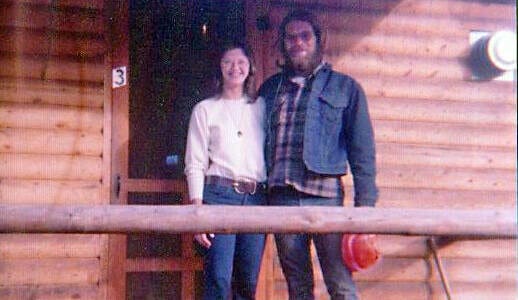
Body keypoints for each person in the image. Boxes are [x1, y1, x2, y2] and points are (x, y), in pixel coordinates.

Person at [258, 10, 379, 300]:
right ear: (283, 45)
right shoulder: (270, 89)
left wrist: (365, 208)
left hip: (326, 199)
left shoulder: (346, 88)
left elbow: (363, 152)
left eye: (304, 36)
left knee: (340, 283)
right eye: (290, 38)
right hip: (281, 198)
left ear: (318, 40)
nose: (297, 42)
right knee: (297, 287)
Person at [184, 41, 267, 300]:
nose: (235, 68)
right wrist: (198, 210)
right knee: (219, 278)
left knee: (248, 280)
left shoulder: (262, 106)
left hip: (255, 199)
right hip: (219, 196)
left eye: (241, 62)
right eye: (228, 62)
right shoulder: (205, 109)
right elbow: (195, 162)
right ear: (219, 68)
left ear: (250, 67)